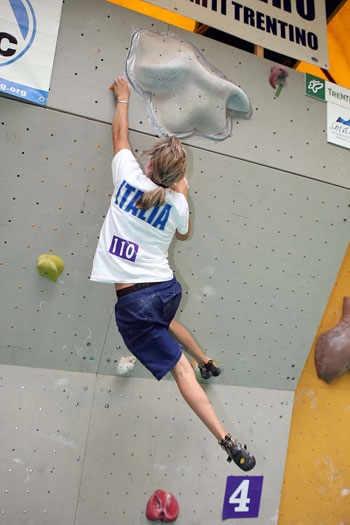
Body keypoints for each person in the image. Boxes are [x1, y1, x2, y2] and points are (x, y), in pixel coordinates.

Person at [90, 76, 255, 471]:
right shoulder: (179, 205)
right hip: (163, 291)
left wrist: (124, 98)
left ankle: (226, 439)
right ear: (176, 176)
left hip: (135, 300)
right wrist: (181, 189)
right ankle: (207, 361)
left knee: (176, 365)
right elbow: (181, 226)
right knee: (166, 326)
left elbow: (119, 137)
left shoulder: (127, 175)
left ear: (148, 164)